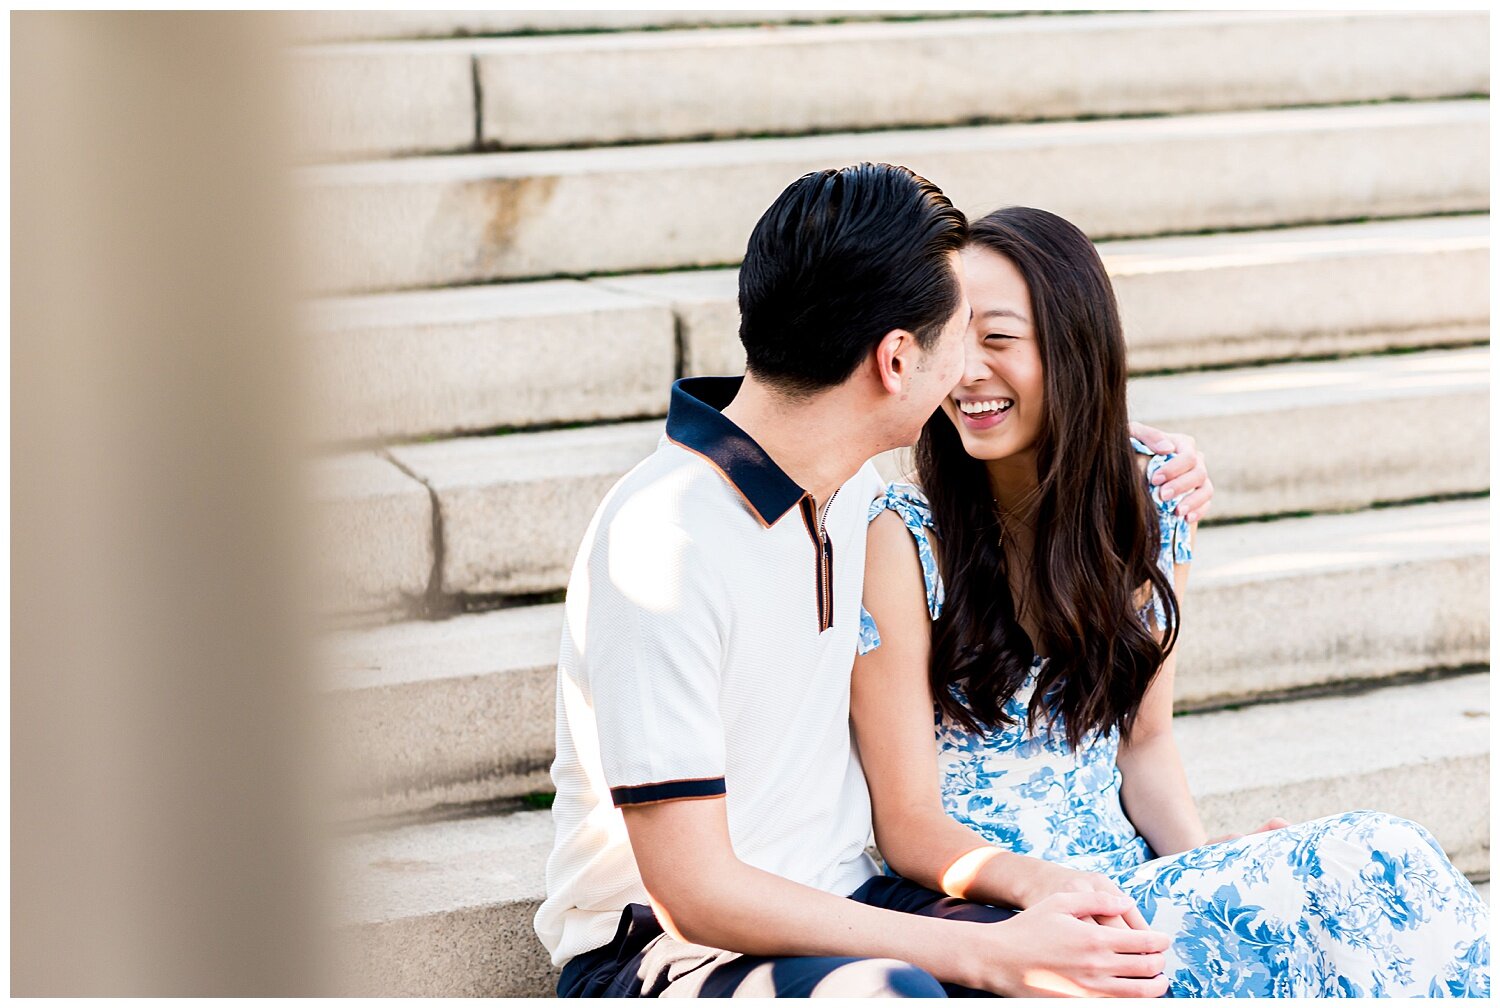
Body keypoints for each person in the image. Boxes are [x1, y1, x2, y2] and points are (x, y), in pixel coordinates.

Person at [532, 165, 1219, 998]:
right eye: (962, 336)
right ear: (898, 360)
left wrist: (1130, 453)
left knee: (1118, 966)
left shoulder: (844, 488)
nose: (968, 369)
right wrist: (981, 952)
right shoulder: (664, 542)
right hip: (664, 949)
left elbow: (1046, 470)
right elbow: (695, 894)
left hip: (851, 896)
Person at [851, 205, 1491, 998]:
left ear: (1073, 348)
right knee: (1367, 859)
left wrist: (1204, 866)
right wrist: (1045, 889)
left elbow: (1144, 743)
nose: (970, 372)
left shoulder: (1147, 504)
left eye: (1001, 339)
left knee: (1374, 873)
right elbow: (908, 821)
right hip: (999, 917)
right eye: (955, 341)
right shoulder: (903, 535)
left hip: (1130, 890)